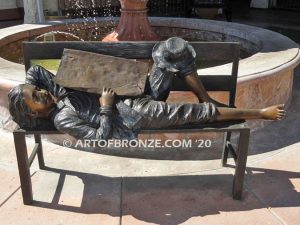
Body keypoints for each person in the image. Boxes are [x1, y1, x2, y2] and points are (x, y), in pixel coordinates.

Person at [8, 37, 285, 141]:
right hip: (135, 113)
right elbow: (100, 137)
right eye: (36, 98)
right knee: (193, 113)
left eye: (35, 91)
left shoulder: (58, 93)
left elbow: (35, 71)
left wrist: (31, 87)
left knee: (172, 49)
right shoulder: (63, 118)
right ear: (34, 113)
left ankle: (206, 95)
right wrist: (105, 107)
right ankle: (259, 112)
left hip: (136, 91)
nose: (41, 93)